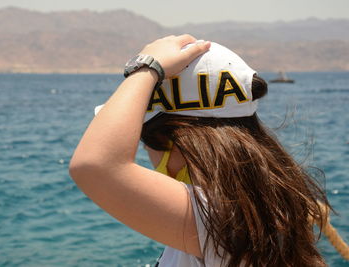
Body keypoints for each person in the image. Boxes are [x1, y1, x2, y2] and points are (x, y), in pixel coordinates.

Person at [69, 34, 330, 266]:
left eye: (145, 139)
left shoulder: (219, 218)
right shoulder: (261, 211)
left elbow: (94, 165)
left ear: (176, 143)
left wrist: (146, 69)